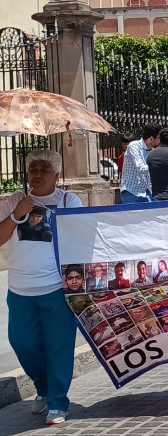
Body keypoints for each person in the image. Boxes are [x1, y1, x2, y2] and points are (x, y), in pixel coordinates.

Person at [0, 150, 82, 425]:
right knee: (22, 342)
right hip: (20, 287)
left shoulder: (69, 201)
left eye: (44, 169)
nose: (37, 173)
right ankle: (43, 388)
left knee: (59, 346)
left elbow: (82, 239)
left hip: (56, 287)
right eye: (33, 168)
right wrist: (16, 214)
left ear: (56, 176)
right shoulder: (13, 201)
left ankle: (58, 402)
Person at [120, 122, 161, 203]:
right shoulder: (134, 146)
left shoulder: (153, 151)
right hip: (131, 192)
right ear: (151, 138)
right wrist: (160, 166)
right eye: (159, 138)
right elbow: (141, 168)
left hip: (147, 192)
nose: (160, 141)